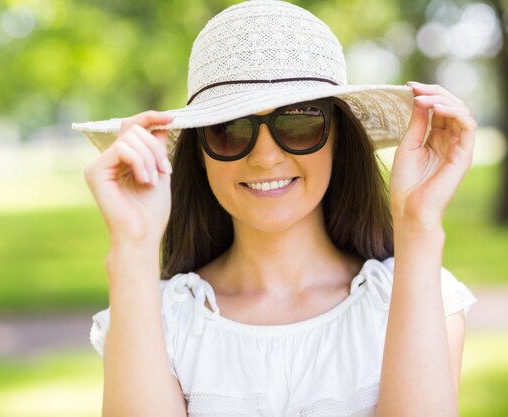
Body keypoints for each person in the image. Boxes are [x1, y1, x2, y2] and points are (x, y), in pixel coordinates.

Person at [74, 1, 478, 416]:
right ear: (200, 154)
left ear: (339, 138)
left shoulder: (414, 294)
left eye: (299, 122)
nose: (265, 157)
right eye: (229, 129)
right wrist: (132, 244)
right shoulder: (161, 320)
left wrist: (419, 224)